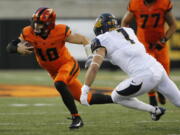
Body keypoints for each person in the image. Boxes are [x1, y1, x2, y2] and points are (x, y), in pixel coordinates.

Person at [6, 7, 113, 129]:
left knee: (59, 83)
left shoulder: (60, 31)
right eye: (35, 22)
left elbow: (83, 39)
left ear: (49, 24)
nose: (36, 26)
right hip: (53, 71)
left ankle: (76, 118)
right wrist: (17, 48)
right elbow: (10, 47)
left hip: (67, 65)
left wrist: (90, 57)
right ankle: (116, 97)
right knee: (85, 99)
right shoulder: (28, 32)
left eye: (40, 24)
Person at [80, 13, 180, 121]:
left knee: (116, 97)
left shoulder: (101, 40)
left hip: (144, 77)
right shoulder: (128, 31)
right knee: (178, 101)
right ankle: (155, 110)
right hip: (158, 69)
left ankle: (154, 110)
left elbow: (94, 67)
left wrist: (85, 90)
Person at [121, 0, 177, 106]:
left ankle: (160, 91)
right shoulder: (135, 3)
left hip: (160, 44)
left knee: (164, 74)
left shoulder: (163, 3)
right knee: (148, 73)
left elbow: (173, 25)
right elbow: (124, 22)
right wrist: (128, 39)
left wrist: (164, 40)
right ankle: (152, 98)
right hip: (143, 45)